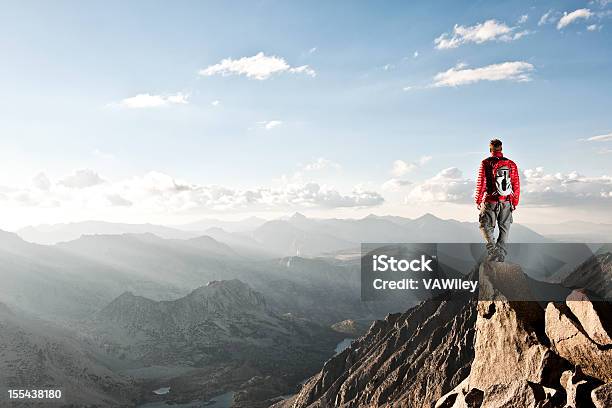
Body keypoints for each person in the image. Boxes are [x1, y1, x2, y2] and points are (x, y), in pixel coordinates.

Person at [474, 139, 520, 262]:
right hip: (506, 201)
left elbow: (481, 183)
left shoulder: (485, 163)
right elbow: (516, 185)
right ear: (501, 149)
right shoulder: (511, 164)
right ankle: (501, 253)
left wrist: (478, 200)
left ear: (490, 150)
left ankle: (493, 251)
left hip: (490, 201)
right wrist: (514, 202)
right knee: (504, 227)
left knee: (485, 225)